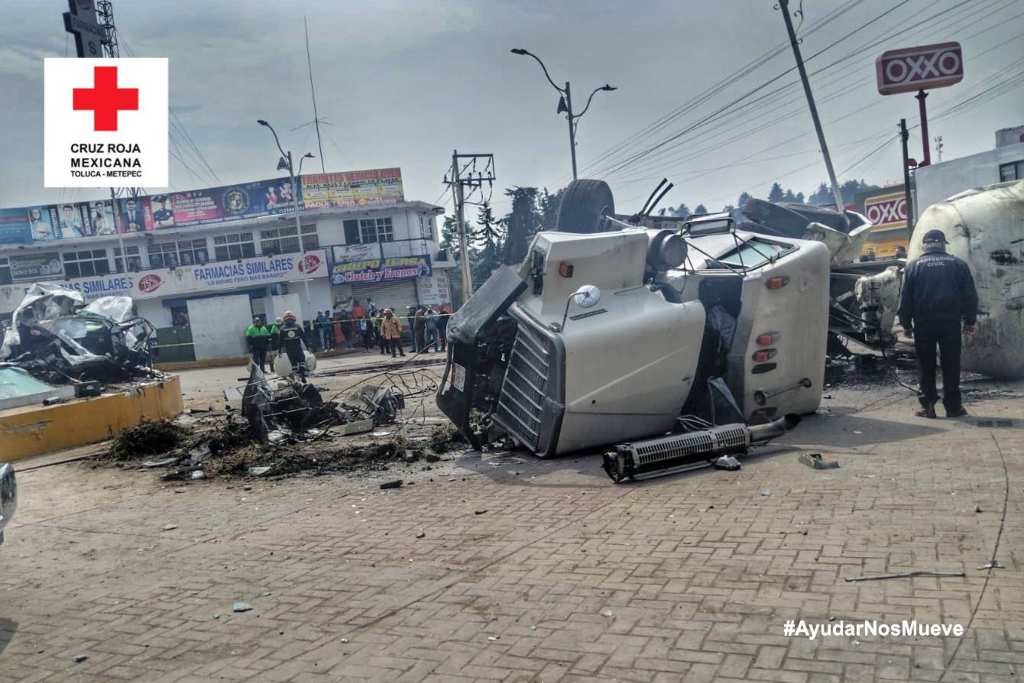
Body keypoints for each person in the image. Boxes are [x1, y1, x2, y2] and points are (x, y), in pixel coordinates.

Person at [897, 229, 978, 419]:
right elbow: (970, 295)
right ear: (943, 244)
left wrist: (906, 324)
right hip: (950, 322)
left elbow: (906, 299)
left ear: (924, 245)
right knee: (951, 364)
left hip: (924, 323)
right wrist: (969, 321)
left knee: (926, 366)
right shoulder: (958, 264)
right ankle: (953, 407)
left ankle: (929, 407)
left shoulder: (913, 266)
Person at [279, 311, 308, 380]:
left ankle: (297, 376)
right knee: (302, 360)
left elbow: (280, 341)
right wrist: (308, 346)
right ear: (293, 319)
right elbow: (303, 337)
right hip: (297, 347)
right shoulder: (297, 326)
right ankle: (302, 372)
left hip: (289, 348)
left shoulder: (282, 328)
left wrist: (279, 350)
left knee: (293, 363)